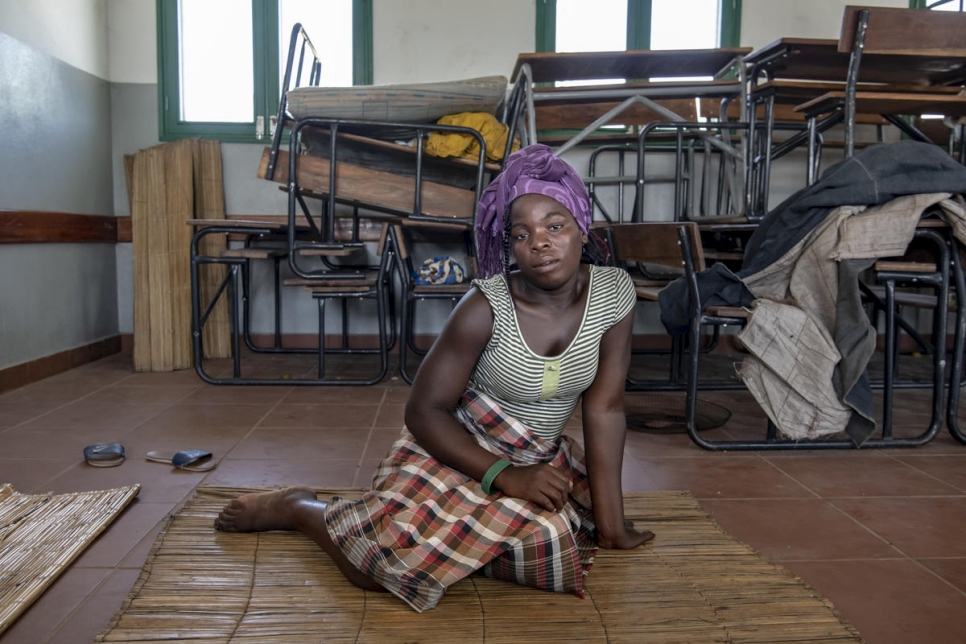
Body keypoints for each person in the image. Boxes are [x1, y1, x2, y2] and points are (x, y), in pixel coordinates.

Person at [215, 143, 654, 612]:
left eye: (555, 226)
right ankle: (300, 510)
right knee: (378, 566)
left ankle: (464, 529)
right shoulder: (485, 307)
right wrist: (505, 476)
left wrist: (612, 525)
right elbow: (423, 411)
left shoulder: (613, 294)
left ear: (581, 227)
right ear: (509, 245)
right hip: (456, 449)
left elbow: (605, 407)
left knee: (550, 540)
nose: (540, 242)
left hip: (537, 456)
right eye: (521, 234)